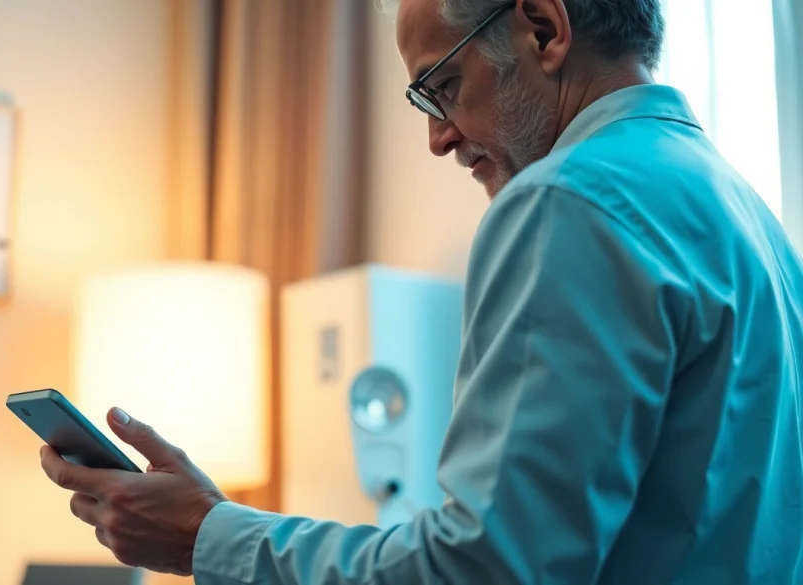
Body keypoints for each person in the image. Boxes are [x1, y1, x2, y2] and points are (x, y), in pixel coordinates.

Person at [39, 0, 803, 582]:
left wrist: (209, 535)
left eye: (441, 86)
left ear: (542, 27)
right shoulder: (752, 222)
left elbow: (485, 566)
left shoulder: (565, 202)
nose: (437, 137)